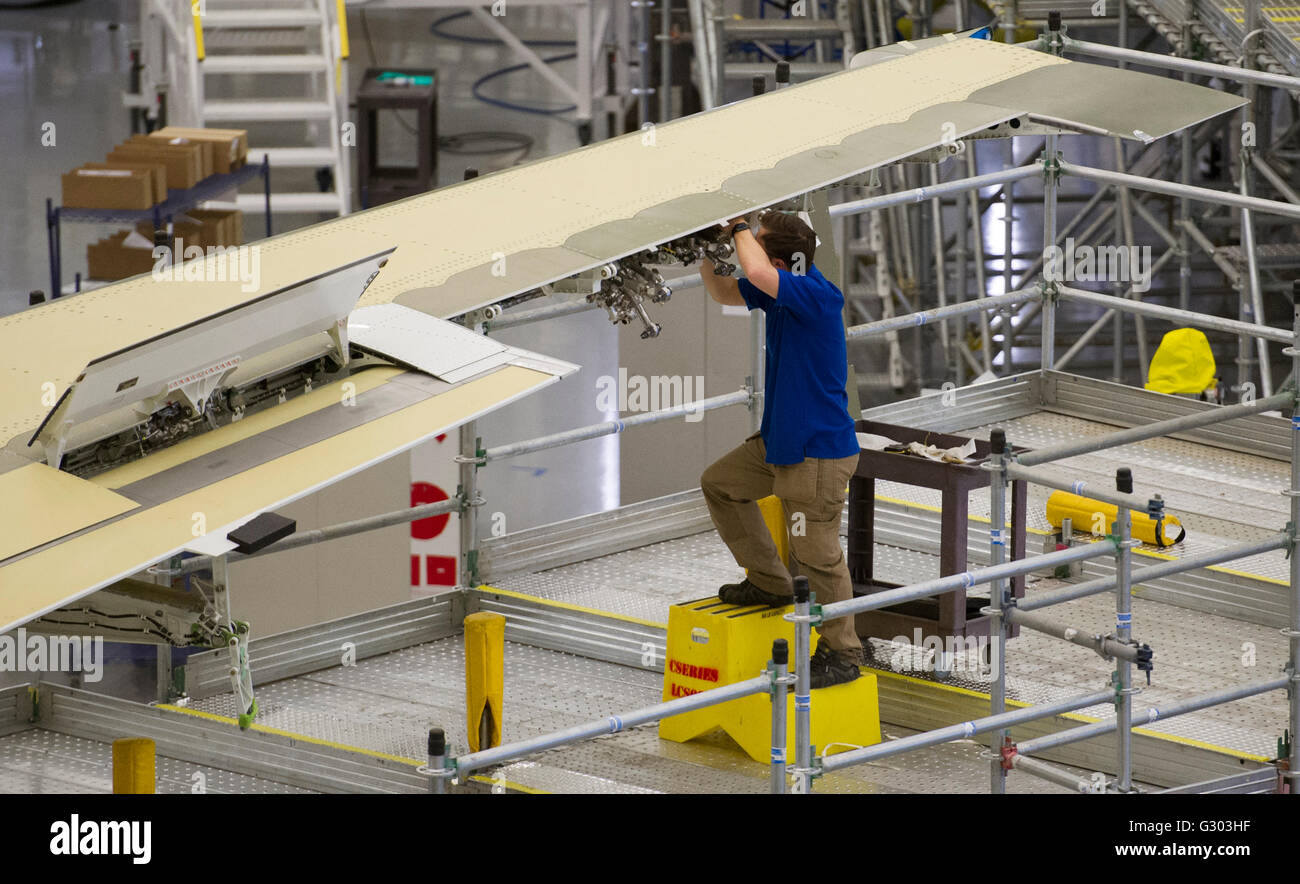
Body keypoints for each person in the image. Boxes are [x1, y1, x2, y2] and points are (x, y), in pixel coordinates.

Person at [696, 210, 864, 689]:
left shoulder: (814, 293)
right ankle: (771, 584)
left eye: (756, 241)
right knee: (721, 485)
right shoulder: (784, 290)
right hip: (782, 444)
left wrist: (740, 229)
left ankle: (842, 651)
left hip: (817, 454)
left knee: (817, 554)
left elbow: (754, 272)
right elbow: (725, 290)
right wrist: (709, 250)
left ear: (782, 258)